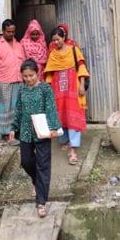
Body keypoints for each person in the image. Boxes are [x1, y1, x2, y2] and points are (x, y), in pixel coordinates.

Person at [9, 58, 61, 218]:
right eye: (25, 76)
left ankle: (41, 202)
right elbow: (18, 109)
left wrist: (53, 127)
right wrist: (13, 128)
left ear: (37, 73)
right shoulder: (22, 90)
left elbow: (51, 108)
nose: (28, 79)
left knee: (43, 165)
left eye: (31, 75)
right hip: (25, 131)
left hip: (43, 131)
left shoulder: (45, 89)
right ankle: (38, 183)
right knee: (26, 161)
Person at [43, 27, 89, 165]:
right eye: (54, 40)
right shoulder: (53, 54)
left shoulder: (74, 50)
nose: (56, 42)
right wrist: (48, 90)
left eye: (58, 39)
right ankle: (65, 140)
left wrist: (81, 85)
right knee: (60, 116)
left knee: (73, 115)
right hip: (58, 90)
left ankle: (74, 149)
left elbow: (81, 67)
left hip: (73, 87)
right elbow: (49, 74)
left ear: (64, 37)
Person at [0, 19, 26, 145]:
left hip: (19, 81)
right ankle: (6, 135)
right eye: (8, 31)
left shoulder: (19, 45)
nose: (11, 34)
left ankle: (15, 133)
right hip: (4, 81)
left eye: (13, 32)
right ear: (3, 31)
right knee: (6, 109)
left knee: (17, 108)